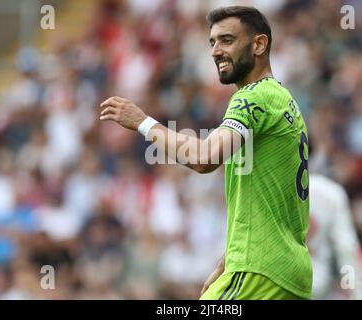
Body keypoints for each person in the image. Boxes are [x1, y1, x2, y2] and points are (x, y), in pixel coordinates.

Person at [99, 6, 312, 300]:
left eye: (227, 40)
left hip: (258, 270)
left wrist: (142, 122)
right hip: (289, 274)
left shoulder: (254, 96)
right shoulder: (283, 101)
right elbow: (271, 202)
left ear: (259, 44)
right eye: (212, 42)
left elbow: (204, 158)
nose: (215, 51)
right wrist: (227, 261)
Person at [308, 173, 362, 299]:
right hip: (316, 283)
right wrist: (355, 294)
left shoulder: (279, 183)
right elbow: (346, 250)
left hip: (276, 281)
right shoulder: (332, 192)